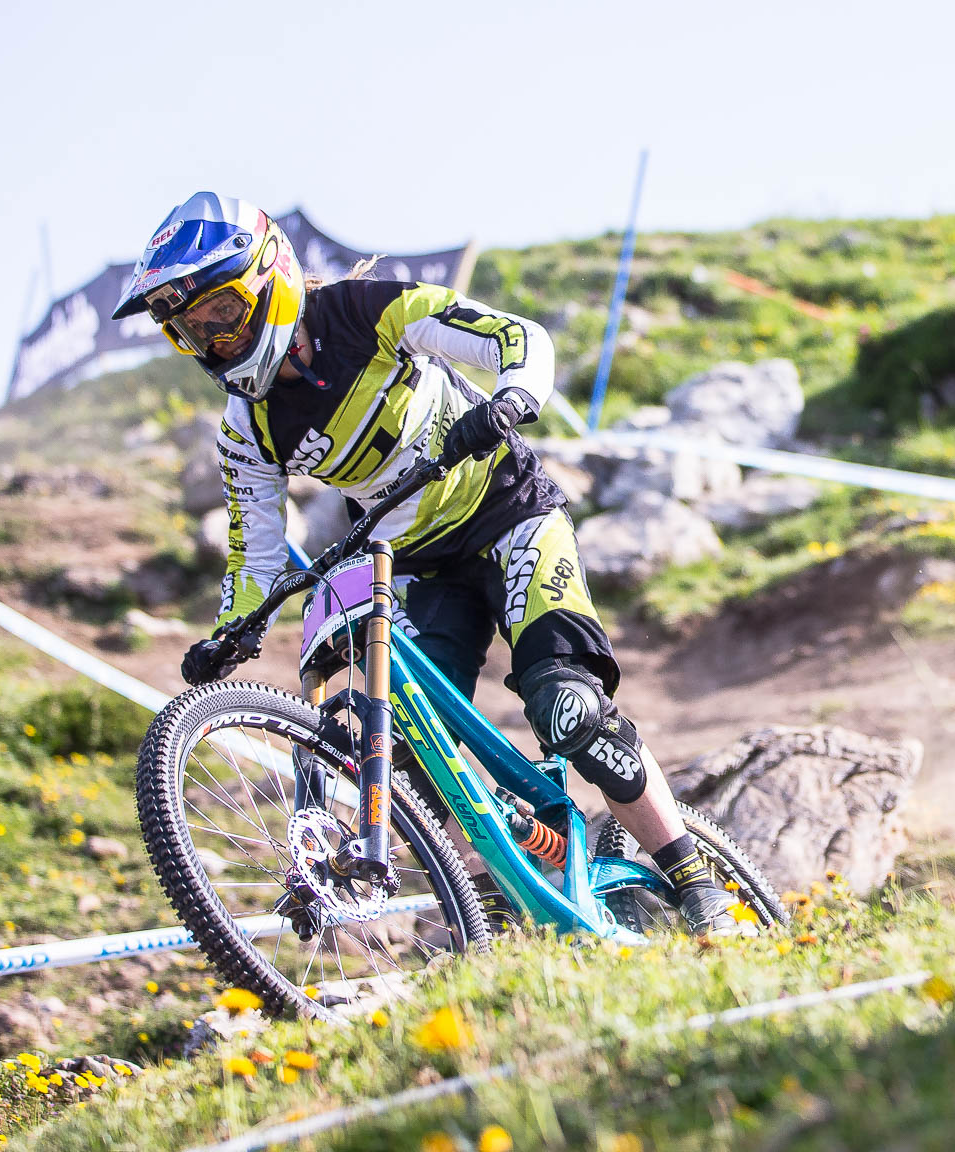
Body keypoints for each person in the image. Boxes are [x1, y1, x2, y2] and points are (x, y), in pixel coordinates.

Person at [115, 192, 748, 936]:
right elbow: (253, 550)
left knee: (567, 709)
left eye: (221, 312)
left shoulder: (368, 311)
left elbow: (516, 337)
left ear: (271, 275)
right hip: (412, 562)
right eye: (189, 330)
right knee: (412, 752)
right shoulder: (245, 430)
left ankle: (695, 880)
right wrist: (231, 631)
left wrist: (513, 397)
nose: (213, 340)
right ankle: (505, 883)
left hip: (509, 515)